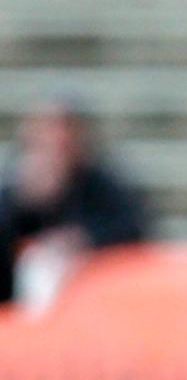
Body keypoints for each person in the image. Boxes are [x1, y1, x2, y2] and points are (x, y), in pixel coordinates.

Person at [0, 92, 148, 306]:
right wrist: (24, 200)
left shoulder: (99, 182)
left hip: (92, 287)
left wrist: (82, 238)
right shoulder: (19, 182)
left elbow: (132, 228)